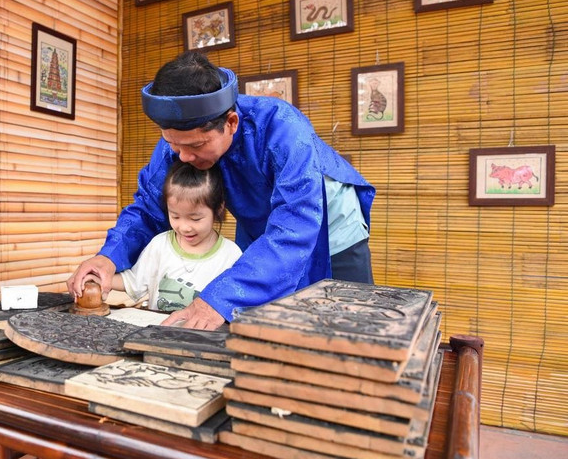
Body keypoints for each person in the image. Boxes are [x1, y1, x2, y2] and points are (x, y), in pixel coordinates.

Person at [68, 51, 375, 330]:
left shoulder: (284, 128)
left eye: (196, 145)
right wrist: (108, 258)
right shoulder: (179, 141)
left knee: (347, 327)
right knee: (260, 327)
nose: (183, 157)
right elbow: (150, 207)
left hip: (328, 225)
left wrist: (219, 299)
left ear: (230, 122)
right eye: (173, 144)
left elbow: (296, 226)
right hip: (263, 227)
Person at [76, 160, 242, 312]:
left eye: (195, 218)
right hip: (157, 339)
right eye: (175, 216)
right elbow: (134, 282)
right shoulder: (159, 245)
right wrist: (98, 278)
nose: (184, 227)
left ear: (219, 209)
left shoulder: (231, 255)